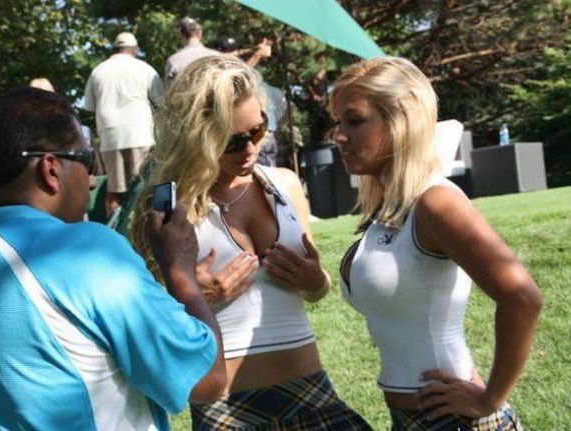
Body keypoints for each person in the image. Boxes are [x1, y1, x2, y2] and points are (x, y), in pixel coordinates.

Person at [0, 86, 225, 430]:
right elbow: (207, 379)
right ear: (51, 169)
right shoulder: (85, 252)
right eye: (87, 161)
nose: (92, 180)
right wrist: (180, 270)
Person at [130, 56, 372, 430]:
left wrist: (316, 282)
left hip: (311, 393)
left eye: (258, 131)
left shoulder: (284, 184)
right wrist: (193, 294)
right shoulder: (170, 205)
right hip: (225, 409)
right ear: (200, 136)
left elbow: (315, 288)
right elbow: (144, 318)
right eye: (233, 142)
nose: (249, 150)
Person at [329, 56, 542, 430]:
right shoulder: (391, 208)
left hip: (455, 420)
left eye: (355, 121)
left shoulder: (436, 202)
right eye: (338, 122)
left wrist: (490, 398)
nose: (339, 136)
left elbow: (522, 298)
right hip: (412, 419)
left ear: (401, 120)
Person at [84, 31, 164, 218]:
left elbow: (89, 106)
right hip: (140, 134)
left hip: (110, 135)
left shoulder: (98, 71)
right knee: (144, 187)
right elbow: (161, 102)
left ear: (116, 48)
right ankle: (143, 228)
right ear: (134, 49)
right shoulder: (144, 68)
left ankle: (114, 230)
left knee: (114, 191)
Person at [214, 35, 288, 167]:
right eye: (225, 51)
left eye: (233, 51)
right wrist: (257, 55)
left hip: (262, 137)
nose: (232, 55)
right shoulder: (219, 74)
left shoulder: (253, 80)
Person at [164, 17, 220, 88]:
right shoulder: (217, 57)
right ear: (200, 33)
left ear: (181, 34)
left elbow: (169, 91)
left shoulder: (174, 60)